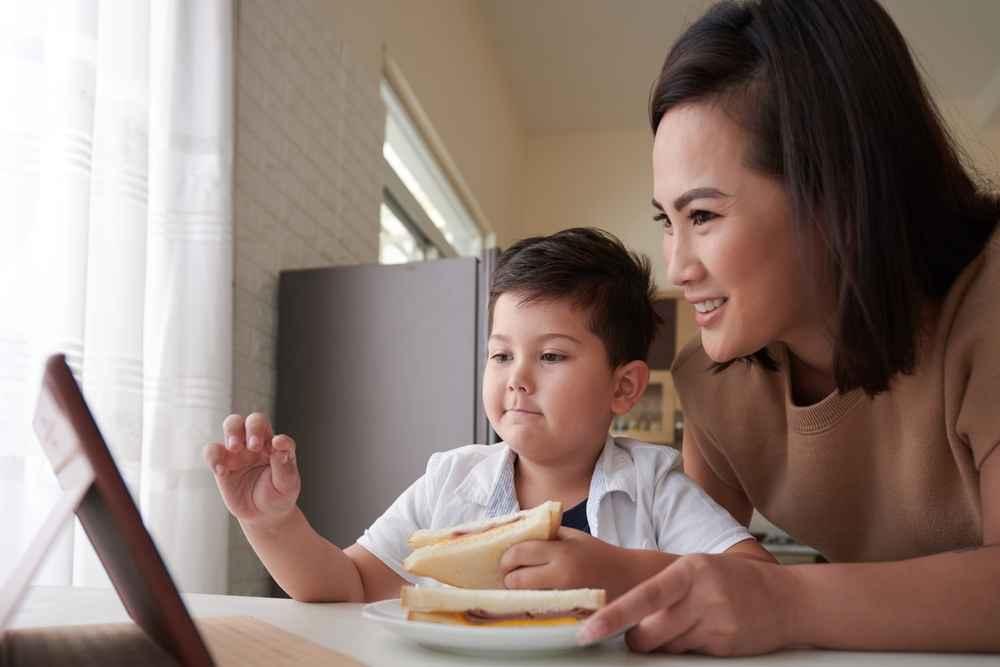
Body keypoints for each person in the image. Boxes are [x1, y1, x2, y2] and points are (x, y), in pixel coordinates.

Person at [578, 0, 1000, 656]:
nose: (678, 268)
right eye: (667, 220)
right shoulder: (713, 385)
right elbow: (692, 581)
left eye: (705, 215)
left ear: (834, 190)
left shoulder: (988, 304)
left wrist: (781, 597)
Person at [204, 227, 774, 603]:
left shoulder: (652, 483)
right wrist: (272, 523)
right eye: (501, 354)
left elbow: (758, 582)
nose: (516, 377)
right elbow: (346, 584)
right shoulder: (449, 480)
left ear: (623, 387)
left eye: (550, 356)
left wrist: (625, 573)